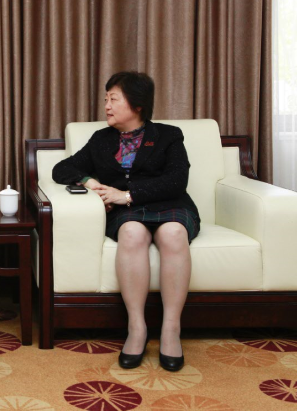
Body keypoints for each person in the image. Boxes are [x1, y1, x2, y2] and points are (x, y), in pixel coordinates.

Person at [52, 71, 199, 372]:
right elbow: (61, 168)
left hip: (170, 205)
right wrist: (89, 181)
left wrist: (127, 195)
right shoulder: (101, 140)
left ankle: (171, 329)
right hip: (127, 214)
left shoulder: (168, 135)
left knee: (173, 234)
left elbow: (177, 181)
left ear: (138, 104)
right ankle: (137, 328)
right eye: (106, 99)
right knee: (131, 233)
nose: (106, 105)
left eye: (114, 99)